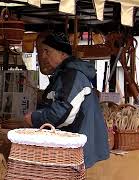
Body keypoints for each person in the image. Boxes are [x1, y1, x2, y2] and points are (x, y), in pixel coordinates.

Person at [24, 32, 110, 169]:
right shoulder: (63, 75)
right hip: (73, 152)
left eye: (47, 51)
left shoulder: (72, 75)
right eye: (41, 52)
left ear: (63, 54)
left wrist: (35, 118)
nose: (43, 56)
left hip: (79, 153)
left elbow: (64, 113)